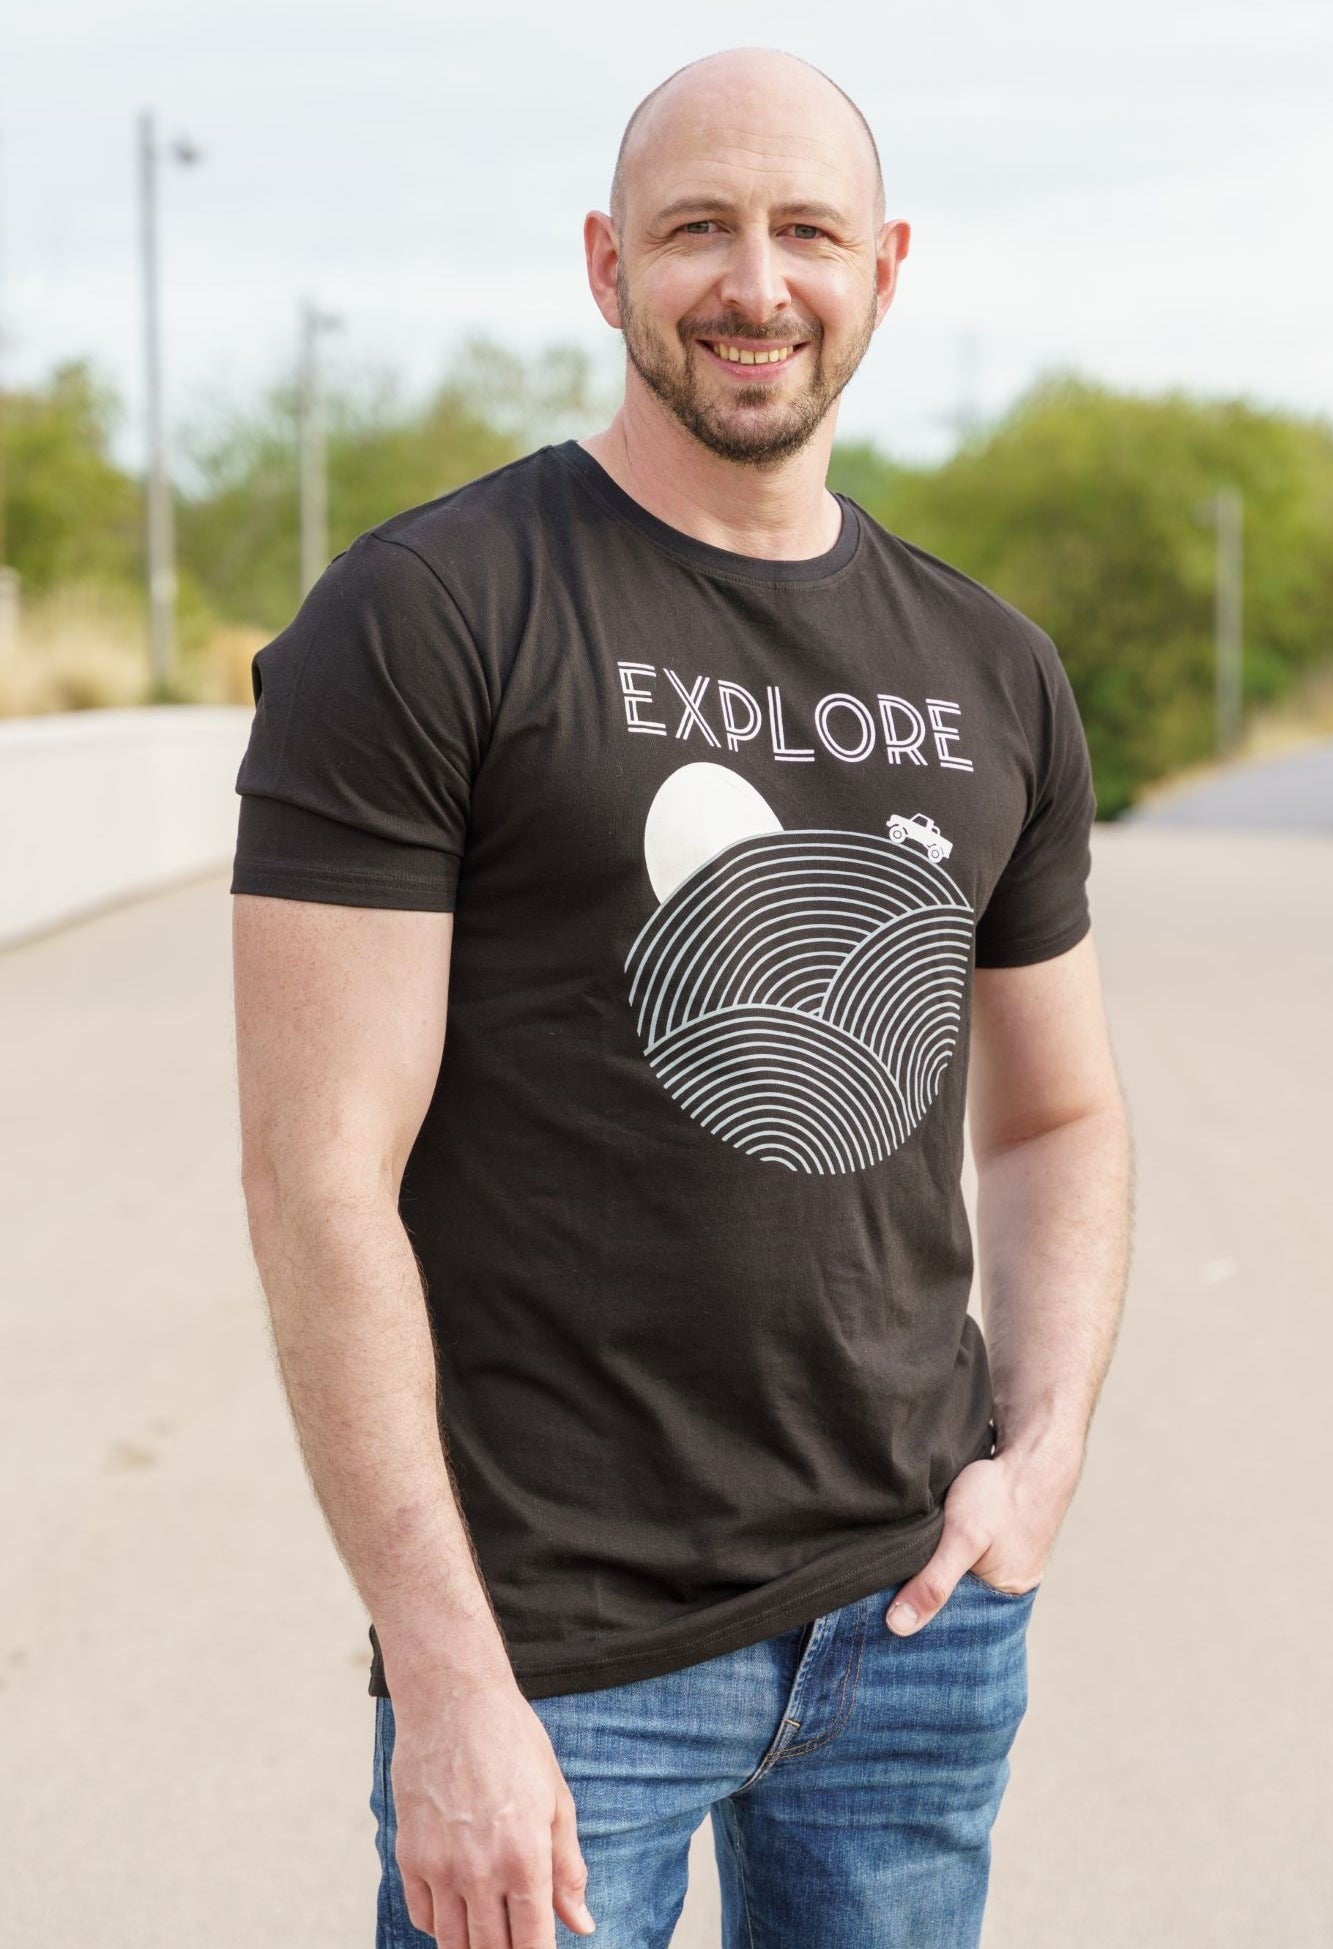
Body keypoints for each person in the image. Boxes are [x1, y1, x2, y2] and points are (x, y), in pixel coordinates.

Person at [231, 43, 1133, 1949]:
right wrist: (449, 1683)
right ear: (603, 263)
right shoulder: (433, 613)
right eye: (695, 228)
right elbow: (322, 1180)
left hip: (911, 1624)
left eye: (806, 230)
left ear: (885, 266)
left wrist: (1033, 1466)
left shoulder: (990, 665)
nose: (754, 281)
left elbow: (1056, 1113)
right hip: (557, 1654)